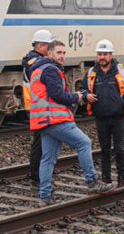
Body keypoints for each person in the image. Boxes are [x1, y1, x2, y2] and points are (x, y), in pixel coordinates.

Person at [29, 40, 114, 205]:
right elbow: (58, 95)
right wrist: (78, 96)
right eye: (59, 53)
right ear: (50, 53)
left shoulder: (37, 70)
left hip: (42, 120)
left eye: (64, 53)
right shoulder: (51, 70)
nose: (62, 56)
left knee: (48, 158)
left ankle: (45, 196)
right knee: (84, 143)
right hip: (55, 119)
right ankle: (92, 182)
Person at [80, 39, 124, 187]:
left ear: (111, 55)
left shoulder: (121, 70)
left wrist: (123, 102)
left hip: (118, 117)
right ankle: (106, 179)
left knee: (120, 150)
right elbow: (84, 89)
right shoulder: (92, 72)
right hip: (101, 117)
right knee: (104, 150)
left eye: (105, 54)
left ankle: (122, 178)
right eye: (99, 54)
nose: (102, 57)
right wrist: (86, 96)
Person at [22, 29, 53, 188]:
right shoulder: (33, 62)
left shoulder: (31, 60)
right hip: (37, 106)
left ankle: (38, 175)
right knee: (39, 143)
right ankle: (36, 176)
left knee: (40, 141)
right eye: (49, 47)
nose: (51, 51)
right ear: (41, 46)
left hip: (35, 105)